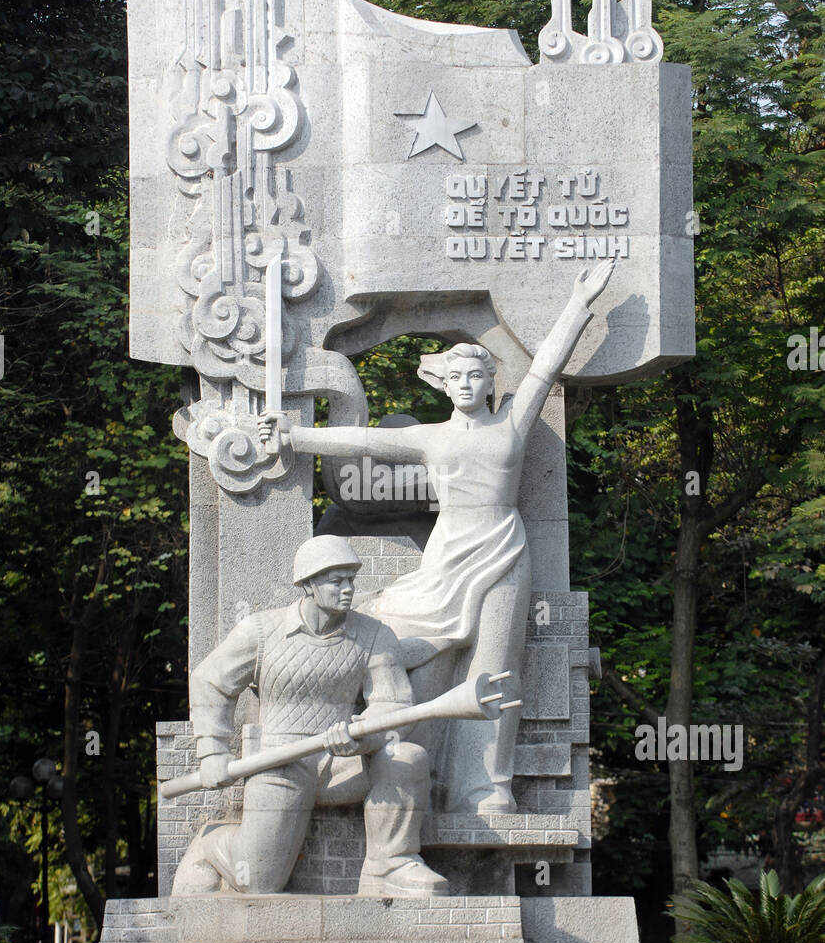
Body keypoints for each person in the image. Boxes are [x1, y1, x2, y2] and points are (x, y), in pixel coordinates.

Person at [259, 259, 615, 811]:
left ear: (491, 382)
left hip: (503, 551)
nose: (468, 384)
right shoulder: (433, 438)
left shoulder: (513, 423)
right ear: (443, 385)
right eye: (457, 377)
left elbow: (545, 366)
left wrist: (579, 302)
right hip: (448, 556)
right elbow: (359, 442)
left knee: (497, 664)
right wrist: (295, 436)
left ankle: (487, 788)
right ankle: (394, 768)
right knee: (407, 646)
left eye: (477, 375)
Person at [172, 535, 449, 897]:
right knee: (257, 881)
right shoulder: (261, 631)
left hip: (344, 763)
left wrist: (362, 733)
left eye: (351, 579)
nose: (348, 589)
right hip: (280, 761)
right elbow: (211, 681)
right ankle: (213, 844)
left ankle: (391, 864)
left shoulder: (375, 636)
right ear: (308, 585)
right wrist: (212, 751)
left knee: (407, 757)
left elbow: (394, 704)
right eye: (336, 581)